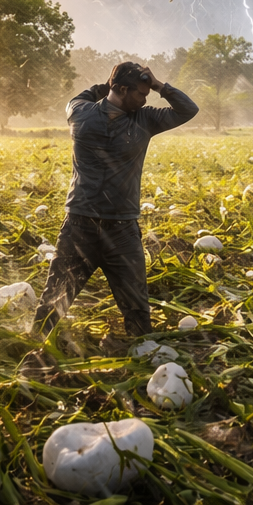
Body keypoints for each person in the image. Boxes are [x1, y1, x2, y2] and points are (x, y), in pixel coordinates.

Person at [32, 62, 199, 339]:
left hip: (94, 226)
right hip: (99, 228)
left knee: (132, 311)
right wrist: (160, 86)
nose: (145, 99)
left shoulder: (79, 112)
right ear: (122, 88)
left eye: (149, 94)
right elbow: (186, 109)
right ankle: (32, 352)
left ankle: (136, 358)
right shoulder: (145, 120)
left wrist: (111, 84)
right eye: (141, 94)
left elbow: (86, 95)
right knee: (54, 303)